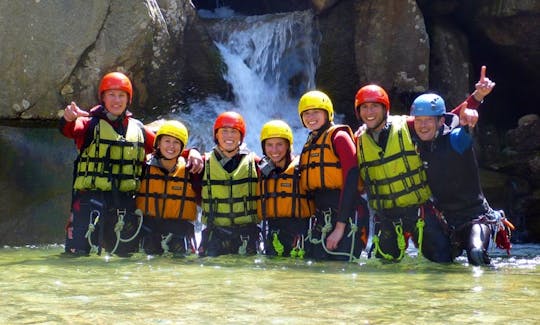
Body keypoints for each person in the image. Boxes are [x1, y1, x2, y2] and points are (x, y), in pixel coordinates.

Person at [60, 71, 203, 256]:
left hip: (125, 204)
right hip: (90, 202)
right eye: (111, 95)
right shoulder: (88, 125)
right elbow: (69, 130)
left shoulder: (138, 130)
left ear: (128, 100)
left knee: (124, 257)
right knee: (78, 256)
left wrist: (191, 152)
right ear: (102, 97)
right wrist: (68, 119)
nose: (116, 100)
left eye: (121, 95)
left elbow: (167, 149)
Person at [349, 83, 483, 263]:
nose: (369, 112)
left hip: (420, 211)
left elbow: (446, 118)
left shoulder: (409, 125)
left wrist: (477, 97)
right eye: (364, 107)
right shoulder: (357, 140)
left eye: (374, 106)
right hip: (386, 217)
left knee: (443, 261)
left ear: (385, 108)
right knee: (384, 266)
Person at [410, 66, 513, 265]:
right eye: (419, 121)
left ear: (441, 121)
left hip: (475, 217)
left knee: (475, 254)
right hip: (445, 219)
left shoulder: (456, 139)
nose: (423, 125)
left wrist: (470, 118)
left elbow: (464, 127)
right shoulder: (414, 144)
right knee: (439, 262)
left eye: (428, 121)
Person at [297, 90, 369, 261]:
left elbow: (352, 177)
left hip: (346, 216)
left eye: (316, 112)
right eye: (306, 113)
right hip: (323, 218)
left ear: (327, 113)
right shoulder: (310, 143)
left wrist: (339, 227)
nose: (311, 117)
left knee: (340, 272)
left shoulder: (339, 136)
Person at [135, 120, 202, 256]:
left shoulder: (192, 170)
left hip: (179, 234)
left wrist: (193, 151)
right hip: (148, 231)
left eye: (176, 142)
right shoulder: (143, 166)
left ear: (182, 147)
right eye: (167, 141)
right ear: (158, 143)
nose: (171, 146)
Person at [199, 111, 261, 257]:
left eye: (234, 132)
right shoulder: (202, 163)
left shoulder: (256, 164)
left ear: (241, 136)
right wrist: (192, 151)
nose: (229, 136)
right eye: (224, 131)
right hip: (214, 235)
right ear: (216, 135)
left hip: (246, 234)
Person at [257, 120, 315, 258]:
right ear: (263, 147)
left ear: (288, 146)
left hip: (299, 233)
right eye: (269, 145)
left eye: (279, 144)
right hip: (272, 232)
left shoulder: (302, 168)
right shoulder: (260, 170)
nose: (275, 150)